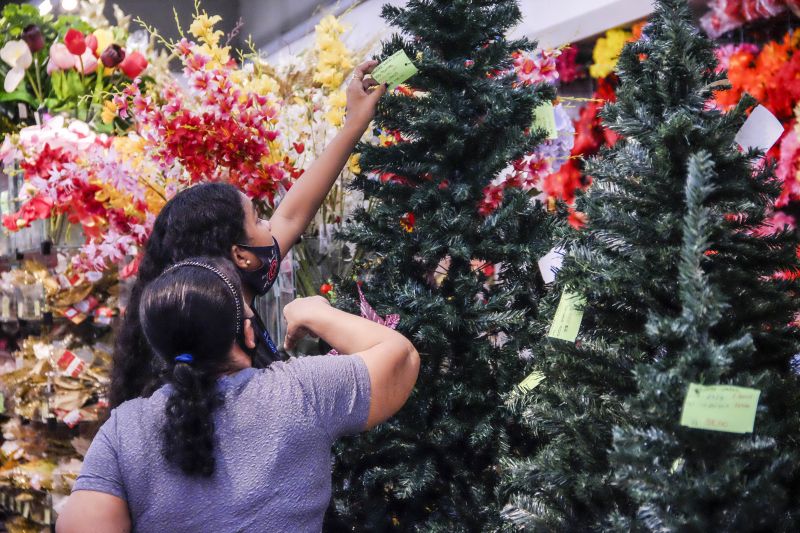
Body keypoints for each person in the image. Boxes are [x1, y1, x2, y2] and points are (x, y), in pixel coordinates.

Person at [56, 258, 420, 532]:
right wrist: (313, 313)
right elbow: (400, 358)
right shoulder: (301, 391)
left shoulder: (125, 427)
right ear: (248, 334)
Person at [110, 61, 387, 409]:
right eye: (258, 219)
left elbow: (293, 214)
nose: (271, 225)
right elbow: (395, 360)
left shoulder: (200, 321)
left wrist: (354, 123)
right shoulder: (231, 360)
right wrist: (319, 314)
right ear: (240, 256)